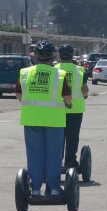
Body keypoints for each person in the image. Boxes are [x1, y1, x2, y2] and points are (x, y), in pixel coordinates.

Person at [14, 40, 72, 196]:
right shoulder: (59, 75)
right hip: (54, 121)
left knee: (34, 154)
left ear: (36, 56)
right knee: (53, 155)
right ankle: (53, 189)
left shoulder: (25, 73)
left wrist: (28, 105)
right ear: (52, 56)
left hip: (31, 119)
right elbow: (67, 97)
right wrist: (69, 104)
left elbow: (18, 94)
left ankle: (35, 189)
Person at [54, 44, 89, 168]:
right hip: (76, 109)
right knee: (72, 136)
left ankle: (56, 161)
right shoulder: (80, 70)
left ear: (59, 55)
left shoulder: (54, 69)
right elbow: (84, 90)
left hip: (57, 109)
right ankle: (70, 161)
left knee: (58, 137)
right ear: (72, 55)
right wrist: (85, 95)